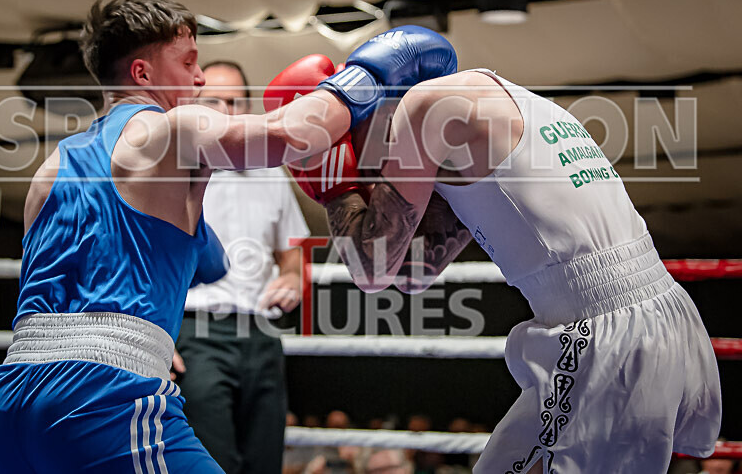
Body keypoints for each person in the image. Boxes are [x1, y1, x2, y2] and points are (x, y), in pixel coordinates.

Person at [271, 26, 722, 473]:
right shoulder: (494, 109)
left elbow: (371, 271)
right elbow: (409, 273)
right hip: (646, 318)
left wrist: (331, 180)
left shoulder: (421, 110)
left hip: (607, 340)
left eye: (348, 139)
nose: (372, 171)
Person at [0, 0, 359, 473]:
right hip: (102, 400)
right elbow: (292, 134)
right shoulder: (174, 127)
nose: (199, 79)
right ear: (143, 74)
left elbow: (195, 260)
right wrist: (363, 78)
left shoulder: (49, 170)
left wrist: (194, 231)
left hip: (10, 405)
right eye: (189, 62)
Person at [173, 60, 309, 474]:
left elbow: (294, 253)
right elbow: (141, 262)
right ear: (196, 103)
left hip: (262, 334)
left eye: (235, 101)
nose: (226, 111)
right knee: (214, 464)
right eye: (214, 100)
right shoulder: (172, 171)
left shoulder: (272, 173)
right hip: (196, 334)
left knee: (264, 463)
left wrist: (290, 277)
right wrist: (158, 337)